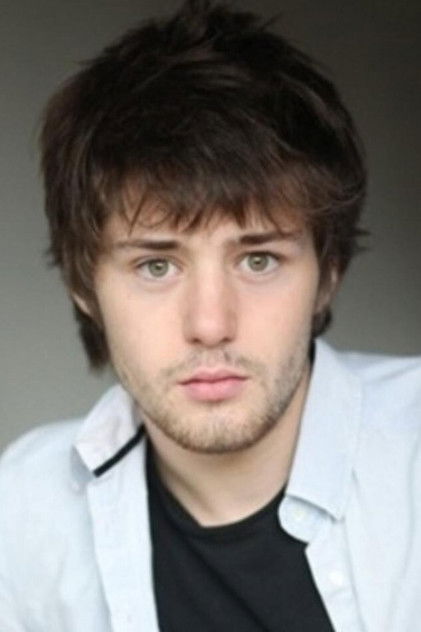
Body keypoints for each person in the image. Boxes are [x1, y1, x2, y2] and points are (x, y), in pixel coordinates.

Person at [0, 0, 420, 630]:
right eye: (156, 266)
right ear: (84, 285)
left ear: (328, 272)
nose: (210, 324)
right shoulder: (25, 509)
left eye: (258, 260)